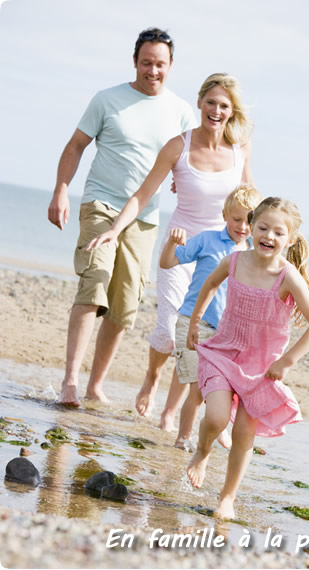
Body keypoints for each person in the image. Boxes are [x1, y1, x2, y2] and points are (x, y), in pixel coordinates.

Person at [86, 72, 255, 426]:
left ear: (231, 111)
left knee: (195, 337)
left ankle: (170, 412)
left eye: (224, 105)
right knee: (167, 331)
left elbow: (251, 204)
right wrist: (115, 229)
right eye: (211, 102)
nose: (216, 110)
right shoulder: (178, 146)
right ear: (200, 103)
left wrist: (267, 248)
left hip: (220, 257)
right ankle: (152, 376)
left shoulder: (240, 152)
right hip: (179, 249)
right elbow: (143, 194)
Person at [47, 28, 197, 407]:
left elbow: (187, 162)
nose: (152, 70)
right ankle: (69, 383)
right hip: (101, 203)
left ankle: (95, 385)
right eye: (146, 62)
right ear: (135, 61)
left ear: (171, 66)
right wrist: (61, 190)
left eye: (160, 64)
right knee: (94, 284)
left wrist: (183, 184)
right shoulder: (108, 99)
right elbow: (75, 146)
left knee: (125, 304)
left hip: (144, 218)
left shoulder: (182, 112)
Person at [185, 196, 309, 520]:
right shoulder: (235, 261)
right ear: (250, 227)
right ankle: (202, 450)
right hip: (224, 351)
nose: (269, 236)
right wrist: (195, 323)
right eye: (263, 227)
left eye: (279, 232)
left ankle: (227, 498)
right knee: (216, 418)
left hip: (260, 369)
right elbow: (209, 284)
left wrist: (286, 362)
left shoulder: (287, 276)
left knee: (243, 434)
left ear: (290, 239)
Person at [159, 185, 262, 450]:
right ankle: (183, 438)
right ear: (225, 214)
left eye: (248, 221)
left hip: (227, 332)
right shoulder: (206, 240)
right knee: (196, 387)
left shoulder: (252, 253)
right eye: (236, 218)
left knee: (221, 389)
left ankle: (217, 428)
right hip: (194, 323)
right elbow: (167, 262)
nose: (242, 226)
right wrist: (172, 242)